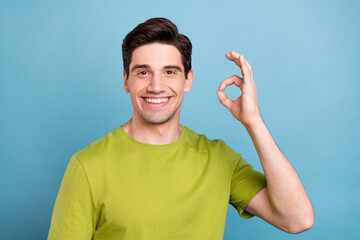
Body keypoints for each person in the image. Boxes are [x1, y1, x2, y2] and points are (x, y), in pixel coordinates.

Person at [47, 17, 314, 239]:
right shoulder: (87, 166)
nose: (156, 86)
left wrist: (254, 122)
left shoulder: (220, 159)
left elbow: (297, 219)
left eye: (170, 72)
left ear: (188, 80)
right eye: (143, 72)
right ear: (126, 80)